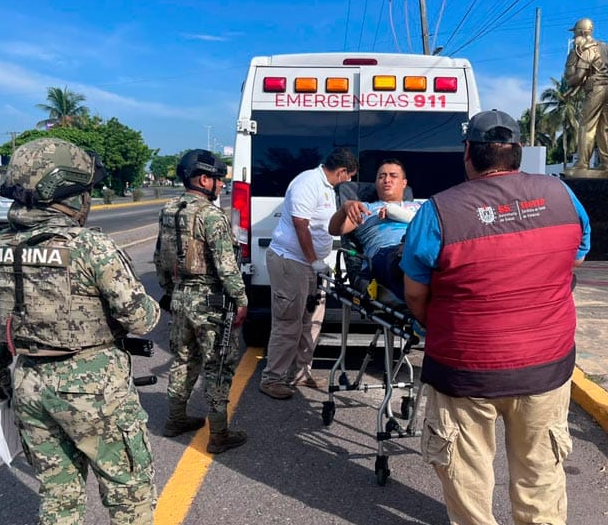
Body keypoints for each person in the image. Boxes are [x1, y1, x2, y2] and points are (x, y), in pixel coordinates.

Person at [401, 109, 590, 525]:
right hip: (546, 361)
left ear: (469, 154)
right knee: (540, 454)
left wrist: (440, 327)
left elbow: (414, 292)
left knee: (466, 459)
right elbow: (576, 257)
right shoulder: (562, 194)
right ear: (518, 153)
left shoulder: (439, 211)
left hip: (467, 365)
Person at [0, 138, 161, 525]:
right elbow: (143, 318)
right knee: (128, 490)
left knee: (58, 491)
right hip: (93, 388)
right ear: (68, 192)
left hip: (29, 383)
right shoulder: (90, 245)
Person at [154, 149, 249, 453]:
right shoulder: (210, 215)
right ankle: (219, 434)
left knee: (183, 358)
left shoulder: (169, 210)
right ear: (204, 179)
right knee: (217, 365)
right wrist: (241, 300)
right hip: (210, 301)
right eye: (219, 179)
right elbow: (226, 264)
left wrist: (170, 291)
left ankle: (175, 419)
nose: (222, 185)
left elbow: (160, 257)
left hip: (181, 297)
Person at [259, 147, 359, 400]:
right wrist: (314, 260)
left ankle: (301, 372)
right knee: (288, 323)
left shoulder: (327, 188)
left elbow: (327, 227)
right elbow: (300, 225)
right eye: (348, 176)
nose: (348, 181)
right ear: (341, 171)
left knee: (311, 321)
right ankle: (273, 378)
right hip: (291, 262)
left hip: (311, 264)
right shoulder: (308, 182)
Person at [328, 158, 420, 299]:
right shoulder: (365, 209)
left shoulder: (419, 208)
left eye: (393, 176)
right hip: (388, 255)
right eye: (381, 176)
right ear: (376, 183)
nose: (387, 180)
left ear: (404, 183)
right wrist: (344, 208)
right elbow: (334, 230)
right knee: (403, 255)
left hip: (419, 249)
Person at [562, 18, 608, 172]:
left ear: (581, 32)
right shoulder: (604, 46)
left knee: (586, 126)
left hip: (596, 89)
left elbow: (579, 76)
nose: (574, 37)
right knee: (605, 128)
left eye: (575, 33)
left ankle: (582, 163)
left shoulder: (587, 49)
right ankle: (607, 164)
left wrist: (569, 82)